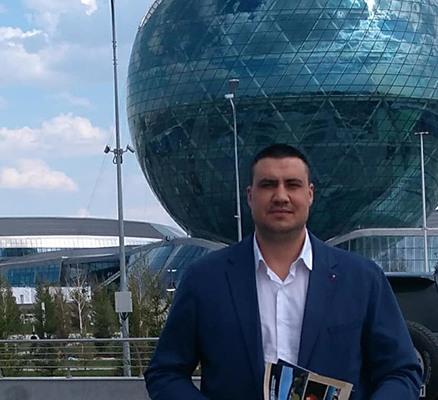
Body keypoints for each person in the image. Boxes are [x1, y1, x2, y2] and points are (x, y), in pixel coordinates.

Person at [145, 144, 422, 400]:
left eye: (292, 184)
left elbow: (401, 371)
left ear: (310, 194)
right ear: (250, 196)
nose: (280, 196)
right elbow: (165, 373)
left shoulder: (362, 280)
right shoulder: (205, 280)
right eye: (268, 185)